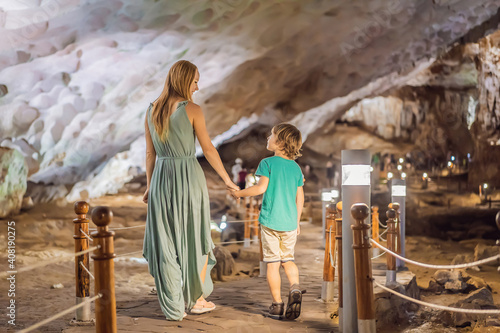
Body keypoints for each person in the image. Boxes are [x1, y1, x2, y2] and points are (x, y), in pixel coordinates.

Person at [142, 60, 239, 321]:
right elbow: (208, 149)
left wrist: (150, 186)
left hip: (161, 178)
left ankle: (173, 304)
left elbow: (150, 154)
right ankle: (195, 299)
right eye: (195, 80)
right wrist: (228, 181)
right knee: (195, 237)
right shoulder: (192, 109)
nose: (198, 86)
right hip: (187, 177)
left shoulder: (151, 110)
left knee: (166, 240)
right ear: (184, 81)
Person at [231, 123, 305, 320]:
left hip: (270, 222)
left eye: (271, 136)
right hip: (290, 223)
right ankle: (295, 287)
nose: (267, 138)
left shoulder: (267, 163)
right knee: (288, 259)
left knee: (272, 264)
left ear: (279, 142)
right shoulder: (296, 168)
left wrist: (239, 193)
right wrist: (297, 221)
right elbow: (300, 198)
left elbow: (260, 189)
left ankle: (277, 305)